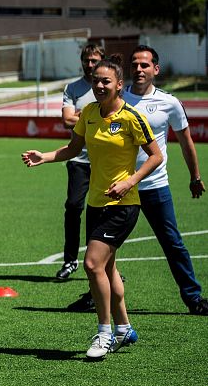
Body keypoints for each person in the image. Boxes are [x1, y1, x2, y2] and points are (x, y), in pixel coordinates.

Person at [22, 58, 162, 359]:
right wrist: (44, 156)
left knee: (92, 264)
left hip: (123, 204)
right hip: (96, 203)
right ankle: (124, 328)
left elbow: (156, 156)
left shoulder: (131, 117)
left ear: (119, 85)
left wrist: (130, 181)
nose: (99, 85)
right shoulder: (88, 113)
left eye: (105, 81)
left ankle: (104, 333)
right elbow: (73, 149)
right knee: (107, 268)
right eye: (96, 80)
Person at [68, 45, 207, 315]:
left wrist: (195, 177)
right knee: (101, 249)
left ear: (156, 69)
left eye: (145, 65)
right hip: (114, 190)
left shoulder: (169, 103)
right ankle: (95, 296)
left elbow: (186, 142)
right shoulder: (115, 97)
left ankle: (194, 298)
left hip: (153, 186)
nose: (139, 69)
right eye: (134, 65)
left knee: (172, 242)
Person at [55, 44, 104, 280]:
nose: (90, 64)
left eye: (94, 60)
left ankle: (105, 264)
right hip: (79, 159)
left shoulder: (108, 86)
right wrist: (95, 117)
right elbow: (66, 121)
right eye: (86, 60)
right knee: (74, 207)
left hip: (105, 161)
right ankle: (70, 260)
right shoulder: (72, 88)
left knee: (104, 211)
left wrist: (81, 115)